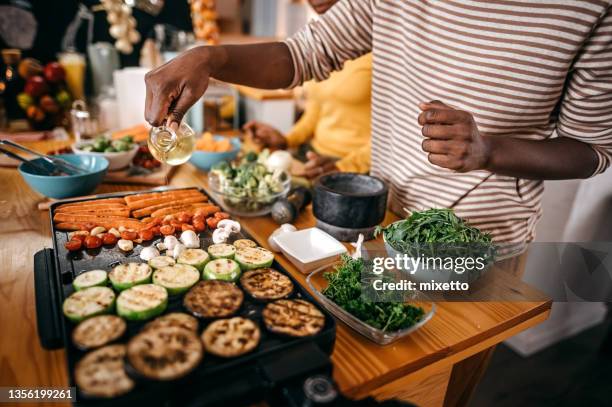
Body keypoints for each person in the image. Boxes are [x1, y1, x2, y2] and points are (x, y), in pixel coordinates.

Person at [144, 0, 612, 243]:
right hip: (377, 214)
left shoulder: (592, 9)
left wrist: (490, 151)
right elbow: (303, 54)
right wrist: (211, 56)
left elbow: (592, 150)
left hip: (476, 241)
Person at [243, 0, 372, 178]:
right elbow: (316, 112)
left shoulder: (381, 49)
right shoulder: (322, 48)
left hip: (360, 169)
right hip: (314, 156)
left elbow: (396, 133)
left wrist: (345, 166)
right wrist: (286, 139)